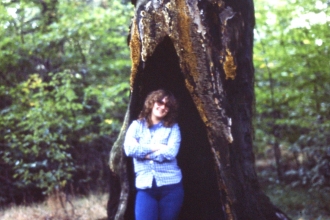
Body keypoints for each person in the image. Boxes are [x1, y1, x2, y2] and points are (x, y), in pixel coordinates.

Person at [124, 89, 184, 220]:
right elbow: (129, 149)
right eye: (160, 102)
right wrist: (156, 147)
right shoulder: (136, 126)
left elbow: (170, 152)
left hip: (171, 188)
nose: (162, 107)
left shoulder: (173, 128)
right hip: (145, 188)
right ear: (152, 102)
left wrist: (143, 153)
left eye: (167, 106)